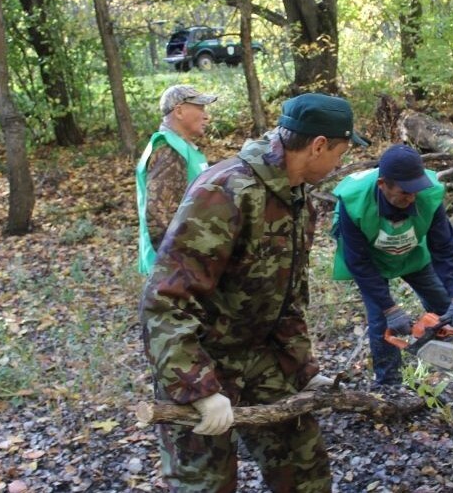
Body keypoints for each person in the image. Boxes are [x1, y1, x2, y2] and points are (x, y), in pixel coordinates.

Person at [139, 93, 368, 492]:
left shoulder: (297, 196)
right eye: (340, 152)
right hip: (200, 356)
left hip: (261, 356)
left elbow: (286, 297)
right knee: (204, 485)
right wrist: (200, 390)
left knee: (305, 470)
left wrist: (303, 369)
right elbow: (165, 301)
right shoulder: (227, 190)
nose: (340, 164)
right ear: (317, 146)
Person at [331, 144, 453, 386]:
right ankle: (389, 386)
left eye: (416, 191)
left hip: (412, 255)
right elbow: (358, 262)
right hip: (372, 262)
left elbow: (445, 249)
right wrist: (390, 309)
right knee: (382, 322)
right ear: (383, 184)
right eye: (404, 192)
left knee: (447, 306)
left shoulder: (429, 197)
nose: (412, 197)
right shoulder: (354, 202)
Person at [136, 84, 217, 275]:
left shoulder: (182, 148)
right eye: (200, 108)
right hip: (175, 273)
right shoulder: (168, 149)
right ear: (179, 111)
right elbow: (160, 215)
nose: (207, 116)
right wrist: (187, 265)